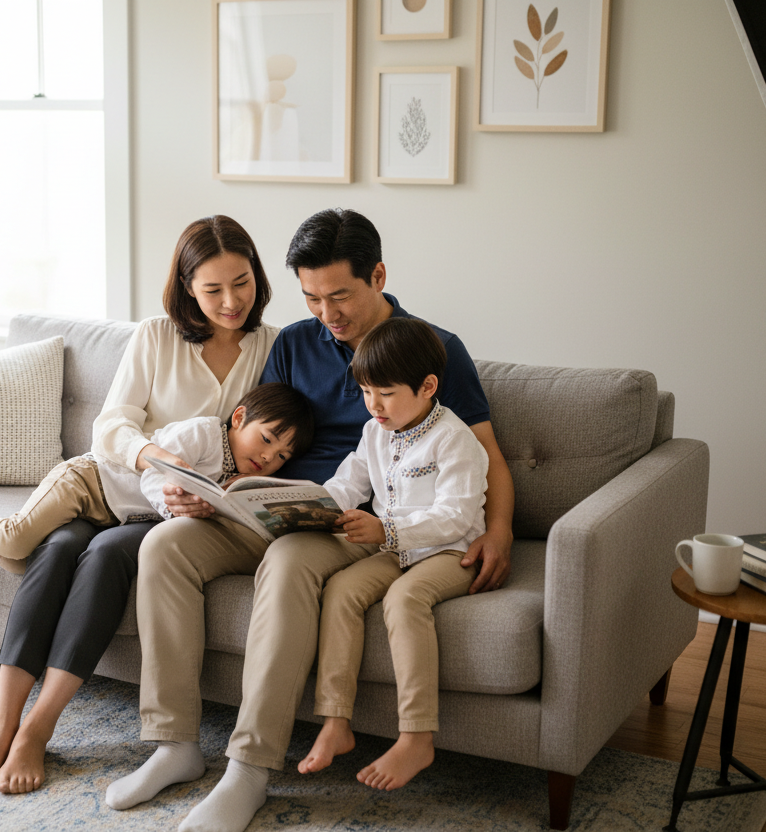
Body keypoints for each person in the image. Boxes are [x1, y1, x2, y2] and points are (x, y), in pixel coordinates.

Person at [106, 208, 514, 832]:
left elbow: (485, 454)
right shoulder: (296, 343)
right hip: (280, 503)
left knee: (291, 559)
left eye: (341, 296)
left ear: (378, 275)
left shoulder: (432, 349)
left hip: (364, 523)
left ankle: (249, 768)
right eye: (313, 297)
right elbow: (256, 431)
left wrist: (501, 531)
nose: (329, 314)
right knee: (165, 546)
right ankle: (175, 744)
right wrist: (219, 492)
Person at [0, 215, 281, 796]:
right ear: (188, 286)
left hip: (159, 519)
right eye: (213, 288)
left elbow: (271, 445)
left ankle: (36, 731)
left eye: (241, 283)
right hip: (108, 485)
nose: (230, 301)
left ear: (258, 277)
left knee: (102, 559)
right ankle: (1, 729)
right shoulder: (155, 335)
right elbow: (111, 425)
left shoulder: (274, 348)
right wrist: (153, 459)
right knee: (49, 551)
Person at [297, 317, 488, 791]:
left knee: (404, 600)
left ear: (427, 387)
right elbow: (348, 482)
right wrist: (312, 508)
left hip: (449, 551)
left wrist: (385, 528)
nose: (373, 406)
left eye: (385, 393)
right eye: (365, 392)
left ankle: (416, 736)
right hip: (395, 546)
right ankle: (337, 722)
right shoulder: (375, 432)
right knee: (341, 590)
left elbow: (457, 516)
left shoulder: (454, 438)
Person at [0, 382, 314, 575]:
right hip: (87, 481)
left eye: (282, 456)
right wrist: (174, 508)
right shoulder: (203, 433)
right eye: (267, 438)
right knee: (13, 539)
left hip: (110, 516)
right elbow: (150, 477)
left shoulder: (235, 478)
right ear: (239, 418)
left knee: (18, 563)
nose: (268, 456)